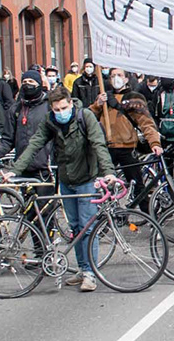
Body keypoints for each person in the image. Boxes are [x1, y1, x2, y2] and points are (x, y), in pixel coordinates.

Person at [11, 86, 117, 291]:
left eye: (64, 108)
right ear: (51, 108)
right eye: (56, 109)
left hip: (86, 179)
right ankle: (82, 268)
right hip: (66, 181)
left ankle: (90, 273)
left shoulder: (85, 116)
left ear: (70, 103)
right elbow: (34, 144)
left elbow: (98, 145)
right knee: (75, 228)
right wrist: (15, 170)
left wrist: (108, 172)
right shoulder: (50, 120)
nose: (61, 112)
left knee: (87, 228)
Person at [92, 76, 162, 207]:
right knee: (103, 186)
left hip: (127, 148)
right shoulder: (104, 98)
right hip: (107, 148)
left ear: (126, 79)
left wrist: (154, 143)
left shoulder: (134, 98)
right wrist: (98, 104)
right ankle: (107, 213)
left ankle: (148, 214)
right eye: (113, 76)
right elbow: (89, 117)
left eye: (119, 75)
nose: (115, 79)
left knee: (137, 186)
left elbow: (146, 123)